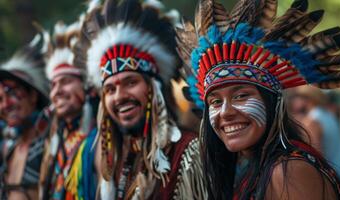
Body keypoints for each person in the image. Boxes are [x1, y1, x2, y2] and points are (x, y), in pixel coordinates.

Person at [176, 0, 340, 199]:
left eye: (241, 96)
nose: (225, 112)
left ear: (272, 103)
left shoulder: (288, 170)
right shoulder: (254, 168)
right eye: (216, 102)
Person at [74, 0, 205, 199]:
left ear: (155, 89)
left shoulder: (188, 153)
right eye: (110, 89)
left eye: (130, 82)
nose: (119, 96)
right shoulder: (106, 159)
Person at [39, 18, 99, 200]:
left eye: (65, 81)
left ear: (87, 86)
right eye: (54, 84)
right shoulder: (54, 141)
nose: (57, 91)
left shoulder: (102, 139)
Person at [0, 32, 50, 199]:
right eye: (0, 99)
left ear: (33, 96)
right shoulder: (8, 147)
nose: (5, 104)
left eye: (13, 93)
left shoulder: (51, 144)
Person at [288, 86, 340, 192]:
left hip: (339, 182)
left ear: (306, 98)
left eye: (297, 97)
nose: (294, 101)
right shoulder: (328, 114)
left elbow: (318, 158)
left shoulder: (312, 122)